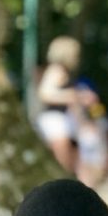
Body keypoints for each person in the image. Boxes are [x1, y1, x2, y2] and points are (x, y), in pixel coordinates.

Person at [36, 36, 82, 173]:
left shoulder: (64, 72)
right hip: (55, 121)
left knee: (70, 160)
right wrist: (72, 95)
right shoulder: (56, 70)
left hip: (64, 120)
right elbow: (44, 93)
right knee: (62, 162)